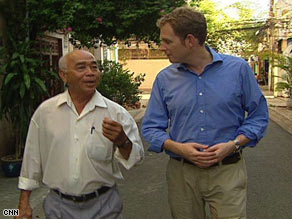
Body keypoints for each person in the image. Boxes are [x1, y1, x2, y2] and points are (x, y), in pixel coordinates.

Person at [142, 6, 269, 219]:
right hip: (182, 175)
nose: (162, 47)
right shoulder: (165, 79)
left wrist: (233, 144)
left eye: (167, 41)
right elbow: (151, 127)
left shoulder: (238, 69)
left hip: (228, 171)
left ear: (190, 40)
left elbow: (259, 116)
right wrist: (178, 148)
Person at [16, 50, 144, 219]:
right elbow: (32, 157)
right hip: (58, 207)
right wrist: (23, 203)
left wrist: (122, 141)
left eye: (94, 67)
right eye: (81, 67)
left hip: (104, 206)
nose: (90, 73)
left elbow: (135, 158)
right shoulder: (46, 112)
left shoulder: (116, 113)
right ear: (64, 75)